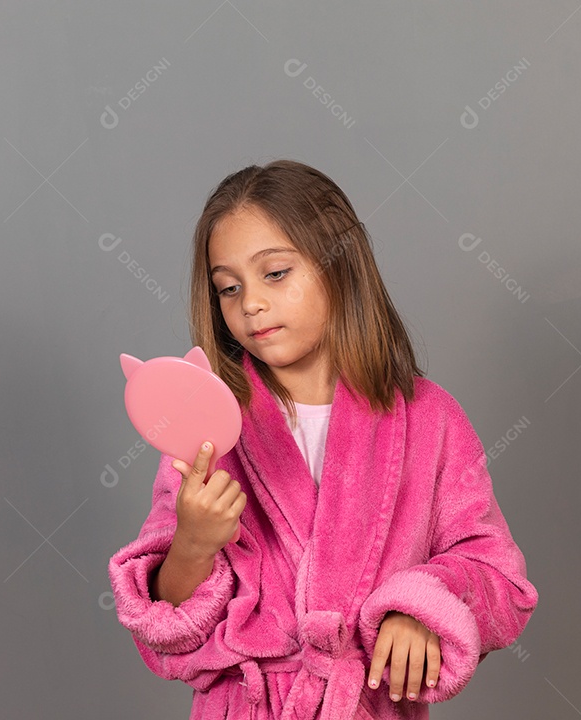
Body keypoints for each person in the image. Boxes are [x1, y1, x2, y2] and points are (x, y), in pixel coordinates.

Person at [108, 159, 539, 719]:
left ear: (339, 265)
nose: (251, 304)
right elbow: (166, 629)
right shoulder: (208, 426)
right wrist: (192, 541)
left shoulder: (429, 419)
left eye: (276, 273)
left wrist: (419, 605)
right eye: (229, 288)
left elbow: (499, 582)